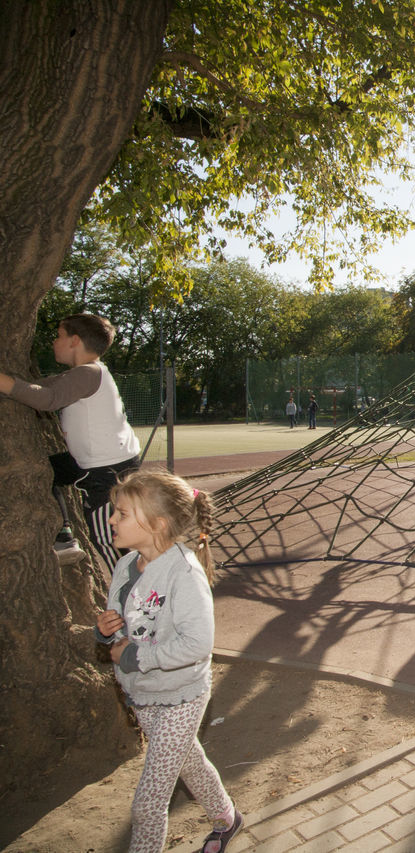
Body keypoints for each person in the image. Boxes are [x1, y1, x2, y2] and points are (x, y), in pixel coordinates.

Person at [93, 470, 243, 853]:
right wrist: (107, 631)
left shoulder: (184, 573)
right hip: (143, 693)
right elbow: (122, 624)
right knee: (189, 761)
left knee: (147, 805)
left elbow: (197, 645)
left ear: (157, 525)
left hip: (181, 696)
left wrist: (133, 654)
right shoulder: (126, 566)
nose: (111, 520)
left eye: (122, 513)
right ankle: (227, 819)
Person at [0, 313, 141, 567]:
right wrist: (9, 391)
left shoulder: (87, 373)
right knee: (46, 471)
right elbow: (36, 388)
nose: (54, 341)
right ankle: (65, 536)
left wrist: (3, 381)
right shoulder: (80, 375)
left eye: (59, 336)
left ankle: (133, 594)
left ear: (75, 340)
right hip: (97, 462)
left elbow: (47, 399)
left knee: (109, 539)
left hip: (105, 471)